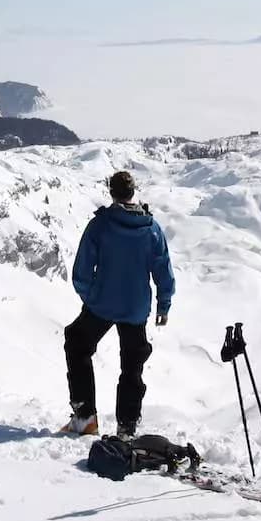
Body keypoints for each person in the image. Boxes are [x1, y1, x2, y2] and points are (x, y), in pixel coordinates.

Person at [61, 170, 175, 437]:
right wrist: (163, 304)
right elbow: (163, 268)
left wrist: (91, 296)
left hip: (102, 304)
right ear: (133, 192)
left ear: (111, 192)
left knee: (77, 343)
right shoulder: (151, 228)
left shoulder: (101, 224)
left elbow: (82, 269)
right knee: (132, 366)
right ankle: (127, 426)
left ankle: (85, 417)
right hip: (136, 308)